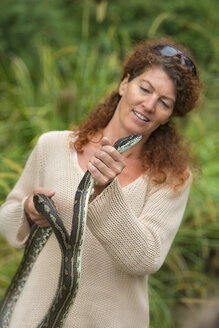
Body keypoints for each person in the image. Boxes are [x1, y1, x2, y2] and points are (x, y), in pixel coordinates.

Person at [0, 38, 201, 328]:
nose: (149, 105)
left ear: (169, 115)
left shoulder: (172, 177)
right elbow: (7, 220)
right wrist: (28, 212)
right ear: (124, 84)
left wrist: (107, 192)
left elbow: (146, 258)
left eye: (164, 102)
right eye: (145, 89)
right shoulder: (53, 146)